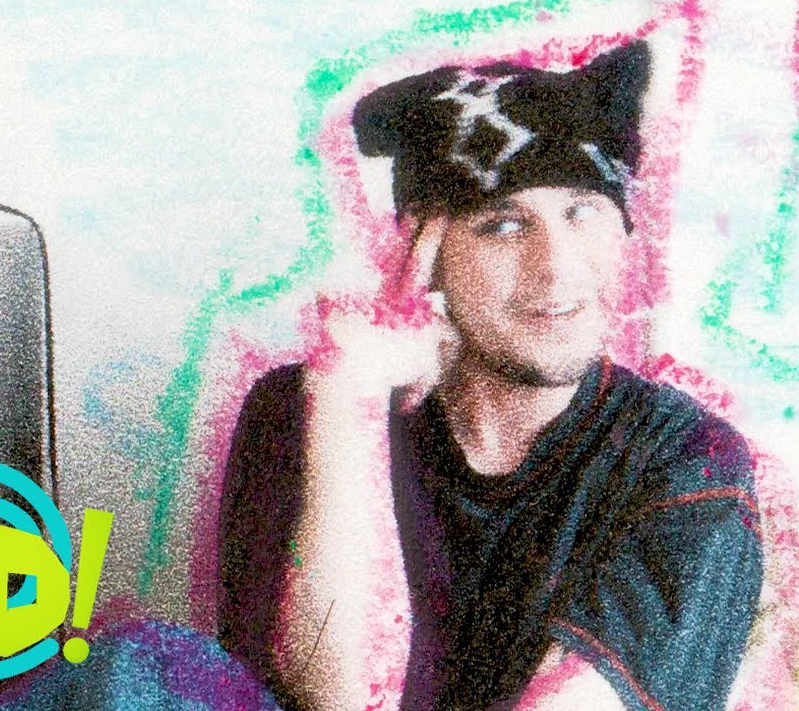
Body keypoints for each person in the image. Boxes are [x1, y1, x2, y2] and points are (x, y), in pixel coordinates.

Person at [217, 40, 764, 711]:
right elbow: (336, 697)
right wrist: (349, 403)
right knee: (138, 662)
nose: (556, 267)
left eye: (582, 212)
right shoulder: (303, 411)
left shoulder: (689, 459)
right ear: (423, 253)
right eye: (503, 225)